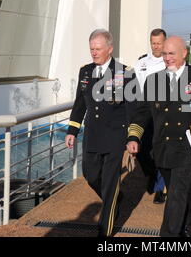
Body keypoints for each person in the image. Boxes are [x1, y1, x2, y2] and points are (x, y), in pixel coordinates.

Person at [126, 36, 191, 237]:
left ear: (184, 53)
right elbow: (143, 112)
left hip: (187, 147)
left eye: (172, 53)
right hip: (162, 146)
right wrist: (133, 136)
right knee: (175, 194)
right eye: (164, 54)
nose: (167, 58)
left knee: (177, 193)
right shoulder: (155, 80)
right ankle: (188, 223)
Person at [65, 29, 132, 237]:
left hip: (114, 136)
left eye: (98, 49)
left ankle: (104, 233)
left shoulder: (124, 73)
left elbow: (132, 109)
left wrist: (132, 137)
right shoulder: (85, 72)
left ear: (109, 49)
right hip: (92, 135)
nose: (94, 53)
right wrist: (72, 131)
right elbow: (80, 103)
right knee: (90, 174)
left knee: (110, 184)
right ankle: (114, 198)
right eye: (92, 49)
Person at [134, 28, 167, 204]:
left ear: (164, 42)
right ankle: (152, 174)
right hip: (145, 113)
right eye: (153, 43)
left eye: (159, 43)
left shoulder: (169, 61)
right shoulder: (141, 63)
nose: (156, 46)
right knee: (143, 151)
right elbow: (136, 89)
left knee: (161, 151)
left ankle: (161, 187)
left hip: (163, 113)